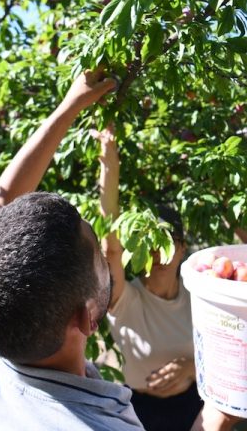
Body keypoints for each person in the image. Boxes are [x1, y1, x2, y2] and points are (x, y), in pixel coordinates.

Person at [0, 67, 240, 430]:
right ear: (88, 317)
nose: (111, 252)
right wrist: (223, 412)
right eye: (99, 256)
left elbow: (1, 204)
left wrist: (71, 104)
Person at [94, 125, 203, 431]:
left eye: (167, 244)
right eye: (149, 246)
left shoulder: (200, 297)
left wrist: (192, 367)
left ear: (181, 249)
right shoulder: (125, 298)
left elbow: (228, 354)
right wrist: (109, 164)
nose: (159, 255)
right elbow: (110, 249)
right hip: (135, 412)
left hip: (193, 407)